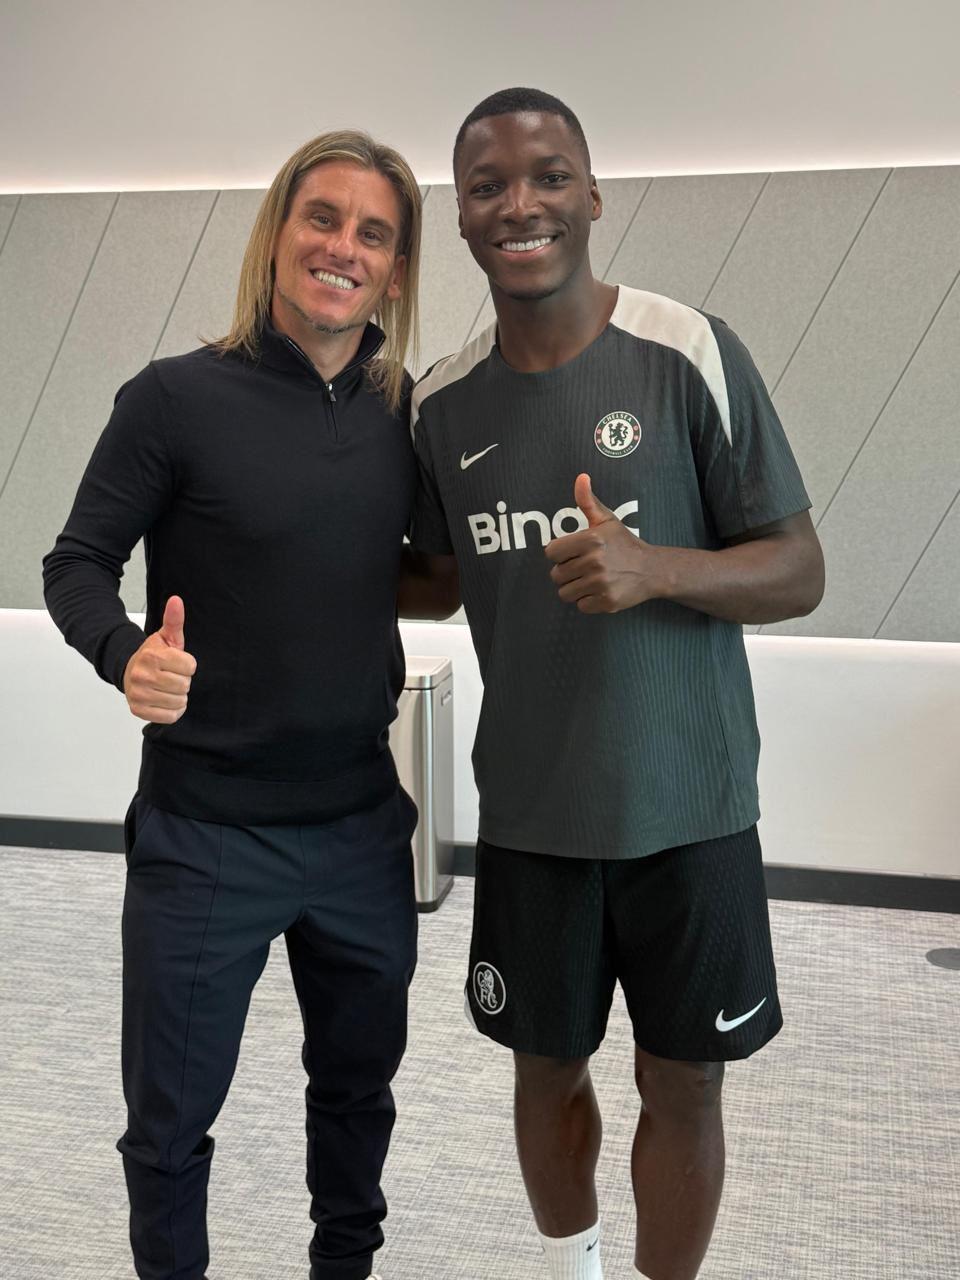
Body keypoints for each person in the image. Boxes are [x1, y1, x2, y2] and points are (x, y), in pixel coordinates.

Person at [405, 88, 825, 1280]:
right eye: (488, 185)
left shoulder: (687, 348)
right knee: (544, 1069)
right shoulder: (440, 402)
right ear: (462, 215)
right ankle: (576, 1268)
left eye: (549, 175)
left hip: (691, 808)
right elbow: (437, 575)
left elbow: (798, 567)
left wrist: (656, 566)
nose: (520, 204)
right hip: (535, 814)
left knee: (684, 1079)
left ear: (591, 194)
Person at [42, 129, 429, 1280]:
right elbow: (76, 562)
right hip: (205, 831)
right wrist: (124, 655)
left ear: (395, 270)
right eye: (323, 217)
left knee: (357, 1098)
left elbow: (426, 566)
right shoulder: (173, 398)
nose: (343, 247)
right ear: (277, 232)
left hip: (361, 827)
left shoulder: (406, 412)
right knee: (167, 1129)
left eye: (373, 233)